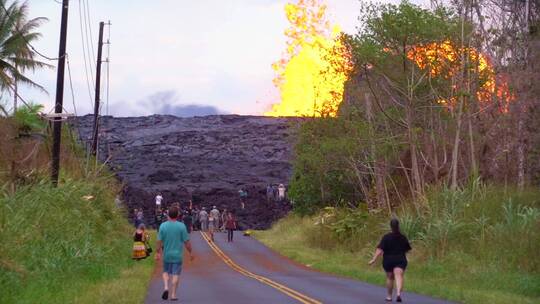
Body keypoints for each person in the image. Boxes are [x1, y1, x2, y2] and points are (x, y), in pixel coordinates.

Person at [156, 206, 194, 301]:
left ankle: (165, 287)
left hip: (167, 254)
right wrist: (190, 252)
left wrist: (157, 252)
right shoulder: (181, 226)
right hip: (177, 255)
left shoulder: (163, 226)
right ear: (178, 215)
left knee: (165, 272)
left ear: (168, 214)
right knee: (176, 274)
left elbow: (159, 241)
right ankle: (173, 294)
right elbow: (187, 242)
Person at [369, 219, 412, 303]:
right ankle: (398, 293)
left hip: (388, 260)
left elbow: (380, 249)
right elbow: (407, 249)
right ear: (398, 226)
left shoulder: (386, 237)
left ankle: (389, 296)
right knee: (398, 275)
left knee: (390, 277)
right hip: (400, 259)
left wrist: (374, 259)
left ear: (391, 226)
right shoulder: (403, 237)